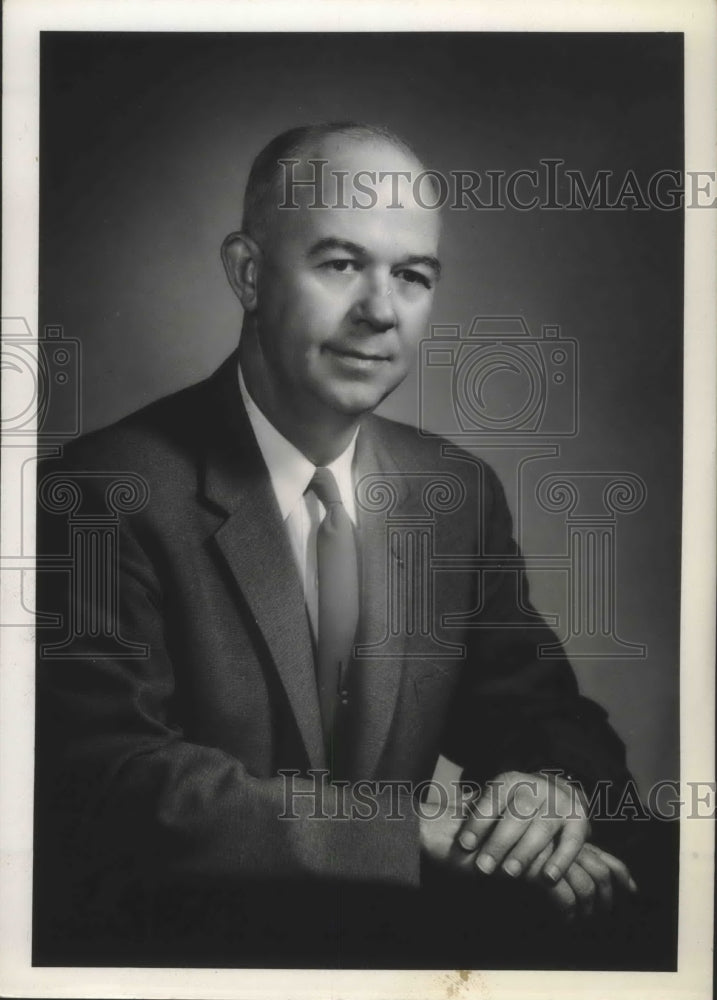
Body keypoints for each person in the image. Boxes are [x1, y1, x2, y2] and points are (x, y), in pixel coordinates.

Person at [33, 122, 669, 969]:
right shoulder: (103, 489)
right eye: (340, 264)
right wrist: (405, 833)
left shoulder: (455, 492)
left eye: (411, 276)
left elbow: (545, 714)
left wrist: (540, 800)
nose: (379, 311)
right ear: (248, 273)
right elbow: (109, 782)